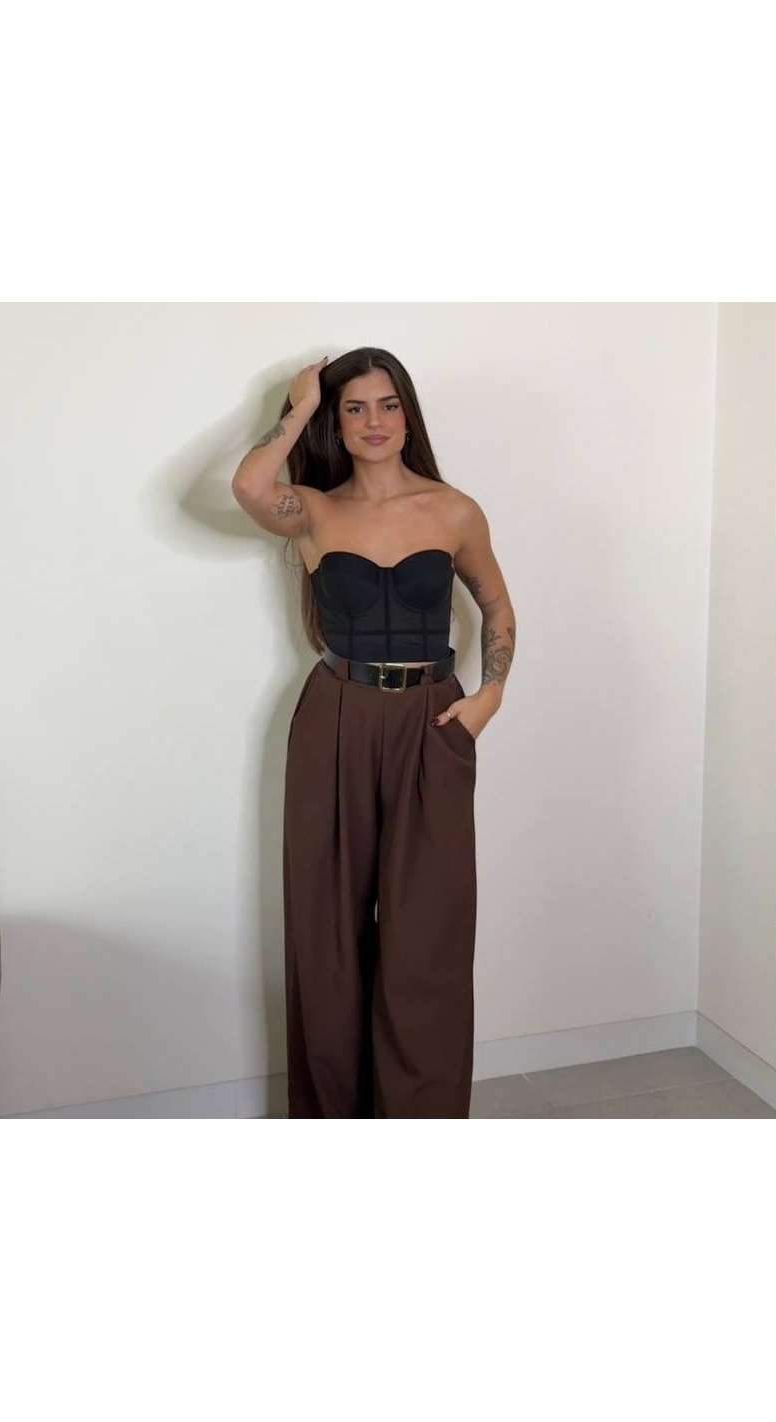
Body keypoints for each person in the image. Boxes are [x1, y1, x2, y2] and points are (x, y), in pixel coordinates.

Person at [231, 347, 516, 1117]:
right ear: (336, 422)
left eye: (387, 405)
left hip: (433, 722)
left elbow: (497, 607)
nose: (373, 422)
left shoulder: (454, 510)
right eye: (353, 408)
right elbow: (249, 485)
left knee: (428, 933)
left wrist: (489, 696)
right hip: (336, 718)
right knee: (327, 933)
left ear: (408, 414)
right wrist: (298, 409)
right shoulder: (312, 510)